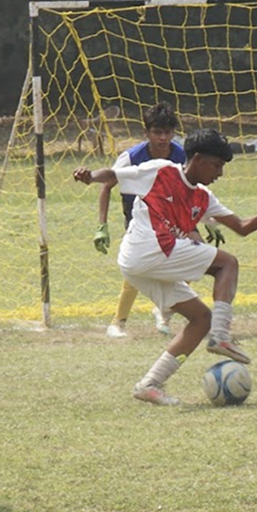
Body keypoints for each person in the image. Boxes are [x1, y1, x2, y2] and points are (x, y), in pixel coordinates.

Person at [73, 128, 257, 406]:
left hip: (137, 265)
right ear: (197, 159)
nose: (220, 173)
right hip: (148, 249)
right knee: (228, 263)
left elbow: (242, 227)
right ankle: (221, 337)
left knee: (201, 319)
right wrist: (90, 177)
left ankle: (150, 384)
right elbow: (114, 175)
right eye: (217, 165)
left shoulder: (204, 197)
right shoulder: (162, 170)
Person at [94, 103, 188, 339]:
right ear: (146, 133)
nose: (163, 137)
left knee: (183, 262)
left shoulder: (180, 155)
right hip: (139, 222)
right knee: (135, 270)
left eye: (168, 132)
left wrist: (205, 220)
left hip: (171, 220)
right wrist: (101, 226)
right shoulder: (132, 157)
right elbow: (107, 187)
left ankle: (163, 311)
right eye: (157, 132)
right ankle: (118, 323)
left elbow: (192, 188)